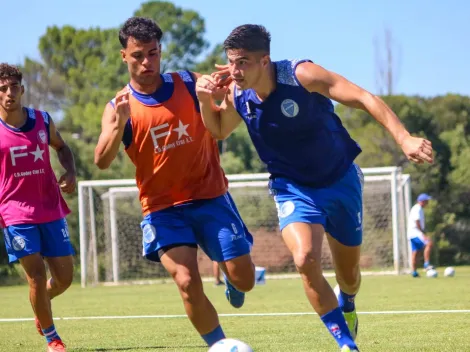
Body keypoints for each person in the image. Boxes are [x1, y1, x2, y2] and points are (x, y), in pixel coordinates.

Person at [195, 24, 434, 352]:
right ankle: (346, 344)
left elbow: (363, 96)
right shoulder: (237, 95)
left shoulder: (301, 75)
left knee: (349, 277)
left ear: (265, 61)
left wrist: (404, 137)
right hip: (292, 188)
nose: (234, 71)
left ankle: (346, 302)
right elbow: (220, 129)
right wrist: (206, 101)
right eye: (232, 62)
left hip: (340, 180)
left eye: (243, 62)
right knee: (305, 256)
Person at [94, 17, 255, 347]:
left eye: (153, 53)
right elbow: (102, 160)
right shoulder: (118, 107)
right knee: (186, 280)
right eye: (138, 55)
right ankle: (220, 345)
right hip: (162, 209)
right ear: (124, 56)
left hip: (210, 196)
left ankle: (233, 281)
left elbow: (222, 115)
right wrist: (117, 126)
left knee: (246, 279)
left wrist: (225, 91)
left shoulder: (188, 83)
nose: (147, 62)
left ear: (161, 51)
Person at [0, 63, 77, 352]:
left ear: (22, 89)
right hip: (13, 212)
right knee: (36, 275)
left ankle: (40, 305)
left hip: (50, 207)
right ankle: (52, 338)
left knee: (65, 279)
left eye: (14, 87)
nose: (9, 93)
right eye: (3, 88)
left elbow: (63, 148)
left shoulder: (42, 120)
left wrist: (70, 171)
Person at [407, 193, 434, 277]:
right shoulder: (417, 208)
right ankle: (426, 264)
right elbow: (417, 221)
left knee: (416, 252)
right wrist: (422, 233)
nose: (427, 202)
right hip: (415, 232)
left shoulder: (418, 208)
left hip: (411, 233)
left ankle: (414, 272)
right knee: (429, 243)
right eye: (426, 201)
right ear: (422, 201)